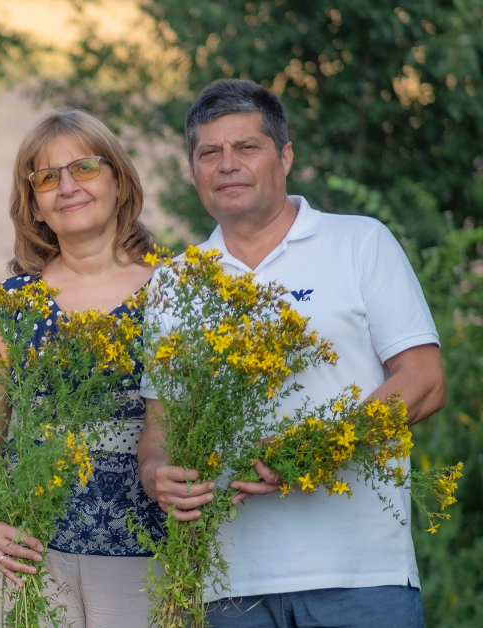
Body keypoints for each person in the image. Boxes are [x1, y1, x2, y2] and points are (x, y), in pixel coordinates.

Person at [138, 79, 446, 627]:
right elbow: (160, 424)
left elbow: (423, 379)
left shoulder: (360, 243)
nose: (227, 164)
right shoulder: (175, 283)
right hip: (228, 586)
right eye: (209, 152)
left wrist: (314, 449)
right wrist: (156, 472)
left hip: (359, 576)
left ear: (284, 156)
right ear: (193, 171)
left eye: (246, 147)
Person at [0, 108, 166, 627]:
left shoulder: (174, 293)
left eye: (84, 169)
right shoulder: (7, 307)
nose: (67, 187)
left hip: (148, 554)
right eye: (47, 178)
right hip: (28, 558)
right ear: (33, 207)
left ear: (119, 181)